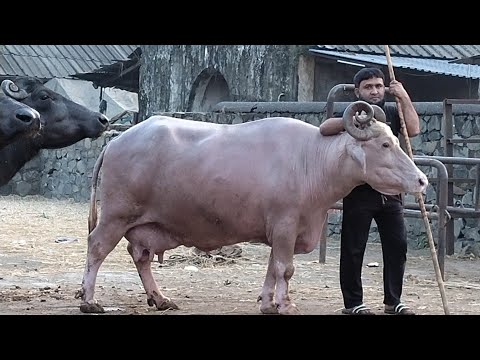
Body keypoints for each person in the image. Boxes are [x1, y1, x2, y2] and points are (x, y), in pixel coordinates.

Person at [319, 67, 420, 315]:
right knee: (354, 248)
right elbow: (324, 128)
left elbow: (414, 130)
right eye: (368, 87)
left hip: (390, 189)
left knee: (397, 245)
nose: (374, 91)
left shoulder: (393, 111)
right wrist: (349, 122)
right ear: (357, 92)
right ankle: (353, 303)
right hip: (360, 191)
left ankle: (393, 301)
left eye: (378, 86)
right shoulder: (354, 113)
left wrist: (403, 96)